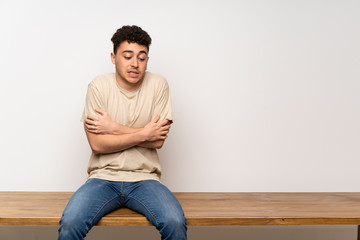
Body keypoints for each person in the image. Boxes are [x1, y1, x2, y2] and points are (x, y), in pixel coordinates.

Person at [58, 25, 187, 240]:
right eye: (127, 56)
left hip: (145, 179)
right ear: (113, 57)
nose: (135, 64)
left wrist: (114, 128)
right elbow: (98, 145)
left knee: (174, 222)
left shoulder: (158, 85)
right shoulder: (98, 86)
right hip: (102, 178)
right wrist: (145, 133)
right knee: (71, 222)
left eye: (142, 57)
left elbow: (158, 141)